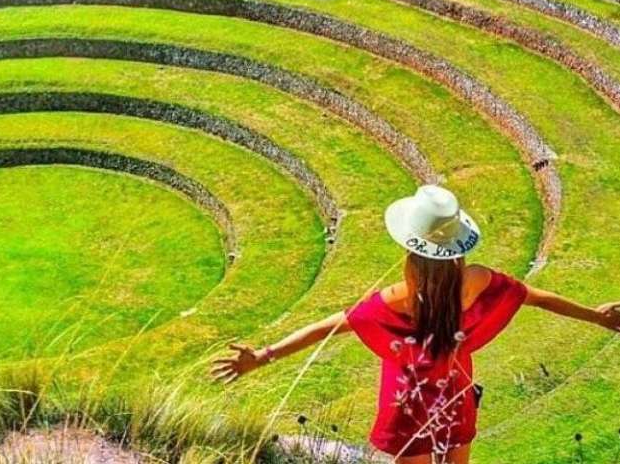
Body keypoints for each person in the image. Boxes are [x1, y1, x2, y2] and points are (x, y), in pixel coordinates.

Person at [211, 185, 620, 464]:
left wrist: (263, 357)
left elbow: (328, 327)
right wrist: (597, 317)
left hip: (406, 406)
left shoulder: (395, 300)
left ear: (410, 250)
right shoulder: (475, 281)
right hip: (455, 395)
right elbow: (535, 296)